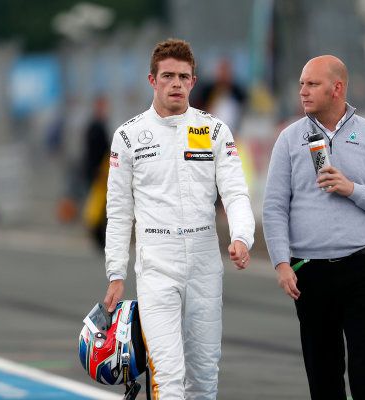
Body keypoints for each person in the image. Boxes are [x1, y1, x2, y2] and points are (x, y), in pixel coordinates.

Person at [102, 38, 255, 399]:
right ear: (152, 80)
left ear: (193, 81)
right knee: (169, 377)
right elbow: (119, 211)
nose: (176, 84)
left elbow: (235, 192)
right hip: (156, 264)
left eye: (183, 77)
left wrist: (242, 237)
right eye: (168, 76)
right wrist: (116, 273)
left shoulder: (213, 130)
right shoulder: (128, 136)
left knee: (203, 378)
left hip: (204, 262)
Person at [263, 55, 365, 400]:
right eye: (301, 84)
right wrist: (281, 263)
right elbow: (274, 207)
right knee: (323, 379)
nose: (303, 91)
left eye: (312, 84)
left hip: (363, 269)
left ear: (337, 88)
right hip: (310, 272)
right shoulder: (289, 139)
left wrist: (352, 189)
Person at [82, 95, 111, 249]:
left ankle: (99, 236)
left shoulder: (98, 126)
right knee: (97, 205)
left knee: (100, 205)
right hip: (98, 172)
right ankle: (97, 235)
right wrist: (99, 171)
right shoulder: (95, 127)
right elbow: (95, 152)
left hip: (99, 171)